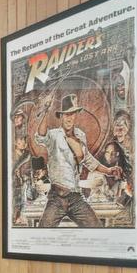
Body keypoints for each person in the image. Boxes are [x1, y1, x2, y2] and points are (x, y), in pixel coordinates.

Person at [33, 94, 102, 228]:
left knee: (97, 228)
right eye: (66, 114)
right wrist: (46, 111)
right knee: (42, 232)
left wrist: (109, 170)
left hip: (76, 198)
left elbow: (88, 159)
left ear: (76, 115)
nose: (69, 118)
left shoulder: (80, 135)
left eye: (72, 114)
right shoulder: (53, 135)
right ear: (61, 116)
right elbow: (41, 136)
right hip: (56, 198)